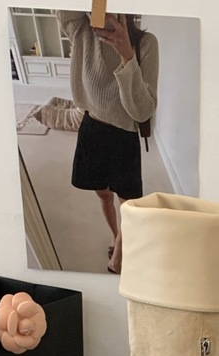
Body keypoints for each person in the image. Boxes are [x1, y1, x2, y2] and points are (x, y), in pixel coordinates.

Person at [56, 11, 159, 273]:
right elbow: (62, 9)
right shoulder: (82, 31)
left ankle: (118, 259)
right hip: (92, 130)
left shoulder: (146, 44)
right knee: (103, 195)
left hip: (124, 137)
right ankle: (116, 237)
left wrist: (127, 56)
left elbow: (142, 111)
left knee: (129, 205)